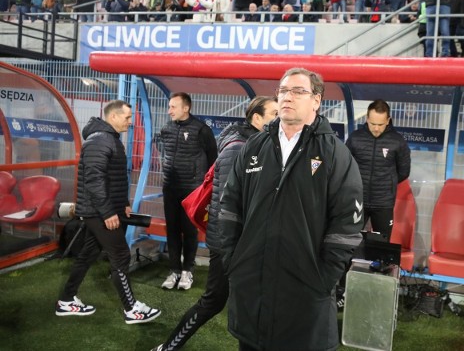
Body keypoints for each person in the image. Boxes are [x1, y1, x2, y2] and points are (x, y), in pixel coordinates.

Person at [219, 68, 364, 351]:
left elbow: (347, 225)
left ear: (316, 100)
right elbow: (229, 208)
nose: (288, 97)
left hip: (305, 292)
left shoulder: (335, 153)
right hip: (252, 285)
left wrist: (323, 278)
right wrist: (232, 260)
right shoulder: (254, 146)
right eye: (283, 90)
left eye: (298, 91)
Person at [152, 96, 278, 351]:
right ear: (257, 119)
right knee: (214, 302)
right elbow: (228, 203)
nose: (280, 118)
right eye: (274, 114)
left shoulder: (261, 145)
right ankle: (169, 347)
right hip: (230, 244)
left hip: (246, 243)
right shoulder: (238, 148)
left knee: (256, 304)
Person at [56, 100, 161, 324]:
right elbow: (94, 181)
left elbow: (113, 178)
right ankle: (132, 309)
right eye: (127, 117)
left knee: (88, 254)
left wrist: (122, 203)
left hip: (103, 209)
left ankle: (66, 300)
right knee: (121, 255)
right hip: (98, 212)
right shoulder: (100, 141)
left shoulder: (109, 139)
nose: (130, 122)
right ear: (113, 117)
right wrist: (107, 213)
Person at [160, 92, 218, 290]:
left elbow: (213, 159)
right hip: (170, 188)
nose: (169, 111)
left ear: (186, 108)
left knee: (189, 231)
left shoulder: (202, 130)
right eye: (169, 107)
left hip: (192, 190)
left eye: (173, 107)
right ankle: (174, 270)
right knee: (173, 230)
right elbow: (165, 155)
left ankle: (187, 272)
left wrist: (203, 185)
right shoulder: (166, 129)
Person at [345, 99, 411, 240]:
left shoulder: (398, 141)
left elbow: (404, 171)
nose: (376, 128)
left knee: (382, 245)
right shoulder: (355, 138)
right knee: (349, 242)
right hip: (357, 201)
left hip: (384, 203)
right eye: (372, 123)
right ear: (367, 119)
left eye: (380, 124)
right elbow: (345, 166)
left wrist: (387, 182)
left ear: (388, 121)